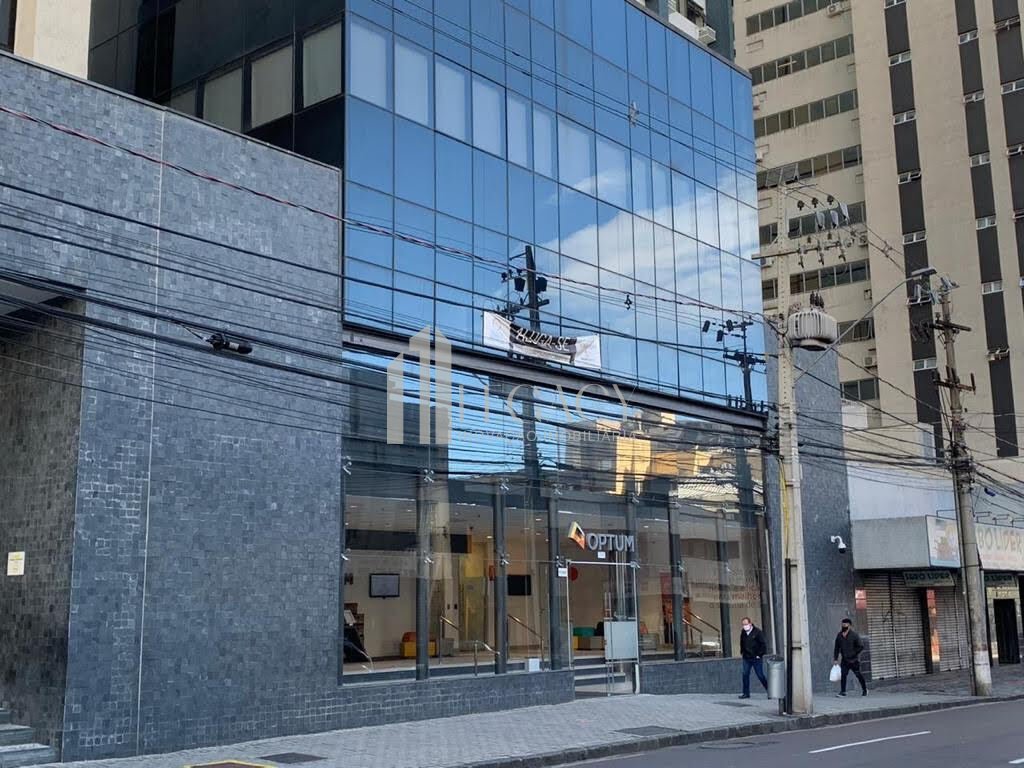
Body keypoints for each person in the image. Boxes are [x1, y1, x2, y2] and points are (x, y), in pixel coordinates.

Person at [833, 618, 867, 696]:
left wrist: (853, 653)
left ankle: (865, 689)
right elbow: (836, 648)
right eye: (842, 624)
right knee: (843, 675)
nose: (843, 626)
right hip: (844, 660)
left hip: (854, 660)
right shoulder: (839, 635)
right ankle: (843, 692)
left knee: (858, 675)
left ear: (849, 626)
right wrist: (835, 659)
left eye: (845, 625)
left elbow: (861, 646)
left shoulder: (854, 635)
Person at [739, 617, 768, 699]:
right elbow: (742, 642)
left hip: (756, 658)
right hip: (746, 657)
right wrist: (742, 652)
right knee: (745, 674)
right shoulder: (743, 632)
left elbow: (763, 644)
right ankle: (746, 693)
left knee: (760, 675)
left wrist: (759, 655)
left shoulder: (757, 632)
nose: (745, 626)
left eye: (746, 624)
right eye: (743, 624)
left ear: (750, 623)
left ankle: (769, 690)